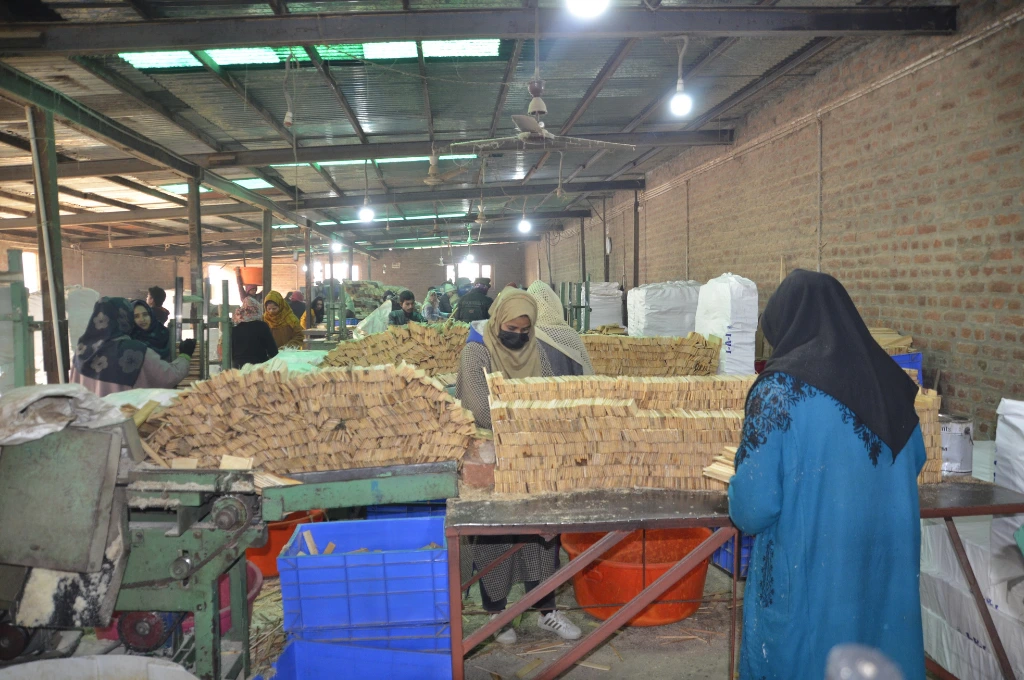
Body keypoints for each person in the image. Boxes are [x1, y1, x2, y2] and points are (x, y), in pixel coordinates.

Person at [729, 270, 925, 680]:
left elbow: (752, 508)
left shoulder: (777, 390)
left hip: (810, 585)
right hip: (880, 575)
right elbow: (915, 460)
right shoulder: (891, 383)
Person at [455, 289, 582, 645]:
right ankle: (498, 615)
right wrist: (523, 414)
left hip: (530, 453)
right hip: (490, 457)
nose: (519, 336)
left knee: (540, 531)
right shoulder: (476, 350)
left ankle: (546, 611)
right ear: (498, 322)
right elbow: (481, 408)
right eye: (512, 327)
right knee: (497, 533)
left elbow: (544, 392)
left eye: (525, 330)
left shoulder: (535, 348)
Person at [71, 297, 193, 397]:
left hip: (87, 420)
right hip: (120, 420)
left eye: (145, 314)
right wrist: (185, 355)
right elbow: (168, 376)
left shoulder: (81, 349)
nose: (141, 319)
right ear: (125, 318)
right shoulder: (133, 351)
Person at [526, 281, 595, 376]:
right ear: (555, 303)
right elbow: (585, 374)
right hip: (570, 389)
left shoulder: (526, 337)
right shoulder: (571, 336)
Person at [230, 296, 278, 369]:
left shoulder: (235, 328)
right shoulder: (262, 326)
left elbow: (230, 352)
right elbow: (273, 351)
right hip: (258, 368)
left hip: (238, 368)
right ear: (257, 309)